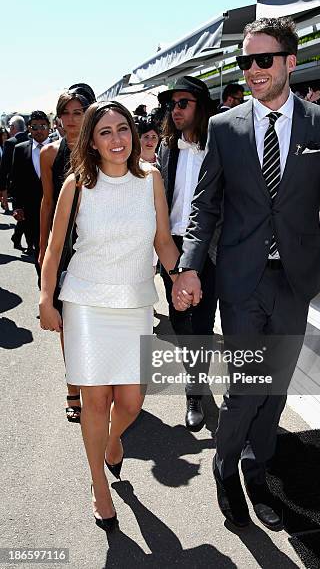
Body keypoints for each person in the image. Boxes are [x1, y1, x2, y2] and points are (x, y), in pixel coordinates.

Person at [172, 17, 320, 530]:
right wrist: (190, 266)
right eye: (245, 61)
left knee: (276, 386)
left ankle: (258, 471)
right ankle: (227, 466)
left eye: (263, 59)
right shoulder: (224, 126)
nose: (252, 70)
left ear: (290, 62)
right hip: (240, 280)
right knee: (247, 384)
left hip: (295, 280)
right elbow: (204, 206)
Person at [39, 100, 179, 531]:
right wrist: (47, 299)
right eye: (105, 132)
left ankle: (114, 439)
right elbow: (55, 248)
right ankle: (99, 485)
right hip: (85, 302)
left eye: (123, 129)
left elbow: (162, 240)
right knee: (95, 401)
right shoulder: (76, 184)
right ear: (92, 141)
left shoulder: (150, 178)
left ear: (133, 135)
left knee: (132, 402)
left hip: (135, 302)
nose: (116, 139)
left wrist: (180, 276)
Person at [157, 75, 220, 432]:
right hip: (174, 247)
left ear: (201, 107)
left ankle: (195, 387)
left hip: (210, 247)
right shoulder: (167, 148)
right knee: (181, 319)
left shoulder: (221, 145)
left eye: (183, 103)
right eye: (171, 105)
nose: (175, 110)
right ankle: (194, 379)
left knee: (204, 320)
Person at [39, 84, 96, 423]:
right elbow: (47, 202)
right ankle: (74, 387)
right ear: (58, 119)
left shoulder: (102, 148)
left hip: (94, 245)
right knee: (67, 325)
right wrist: (43, 247)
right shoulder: (49, 154)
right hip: (61, 249)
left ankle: (100, 383)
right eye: (65, 114)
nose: (71, 120)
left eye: (78, 112)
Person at [8, 111, 51, 279]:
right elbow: (15, 180)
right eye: (34, 127)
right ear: (28, 129)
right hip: (31, 212)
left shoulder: (58, 147)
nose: (39, 130)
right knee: (37, 249)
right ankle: (43, 283)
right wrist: (17, 206)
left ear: (49, 128)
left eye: (42, 126)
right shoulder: (20, 150)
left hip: (55, 209)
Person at [0, 116, 29, 245]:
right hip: (31, 184)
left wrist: (3, 188)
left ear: (12, 127)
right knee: (28, 213)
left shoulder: (10, 142)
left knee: (23, 213)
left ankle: (21, 239)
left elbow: (4, 168)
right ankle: (20, 238)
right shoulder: (31, 139)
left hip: (16, 186)